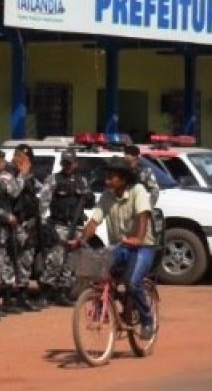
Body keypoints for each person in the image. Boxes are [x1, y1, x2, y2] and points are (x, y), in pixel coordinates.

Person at [76, 157, 156, 340]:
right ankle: (113, 305)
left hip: (142, 247)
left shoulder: (138, 191)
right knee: (100, 276)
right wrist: (81, 240)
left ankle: (147, 321)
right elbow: (94, 221)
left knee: (132, 283)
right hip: (120, 247)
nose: (107, 180)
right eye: (107, 176)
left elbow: (143, 216)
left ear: (123, 179)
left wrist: (138, 239)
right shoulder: (107, 196)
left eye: (111, 177)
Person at [38, 149, 93, 306]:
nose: (68, 166)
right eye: (65, 163)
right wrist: (45, 224)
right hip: (59, 225)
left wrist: (88, 197)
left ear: (76, 163)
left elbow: (90, 203)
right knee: (55, 260)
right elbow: (43, 203)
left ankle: (63, 293)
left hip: (76, 227)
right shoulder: (54, 179)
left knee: (70, 262)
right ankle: (45, 293)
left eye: (70, 163)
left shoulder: (82, 181)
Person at [10, 143, 46, 310]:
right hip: (17, 224)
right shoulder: (10, 174)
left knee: (27, 260)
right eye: (21, 157)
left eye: (27, 159)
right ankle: (12, 296)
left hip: (30, 224)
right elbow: (13, 193)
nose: (25, 162)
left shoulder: (31, 178)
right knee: (16, 260)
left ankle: (22, 295)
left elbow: (41, 193)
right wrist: (22, 175)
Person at [0, 147, 23, 315]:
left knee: (7, 261)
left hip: (5, 227)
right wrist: (21, 175)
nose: (4, 163)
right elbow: (12, 193)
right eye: (0, 161)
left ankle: (7, 300)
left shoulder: (1, 176)